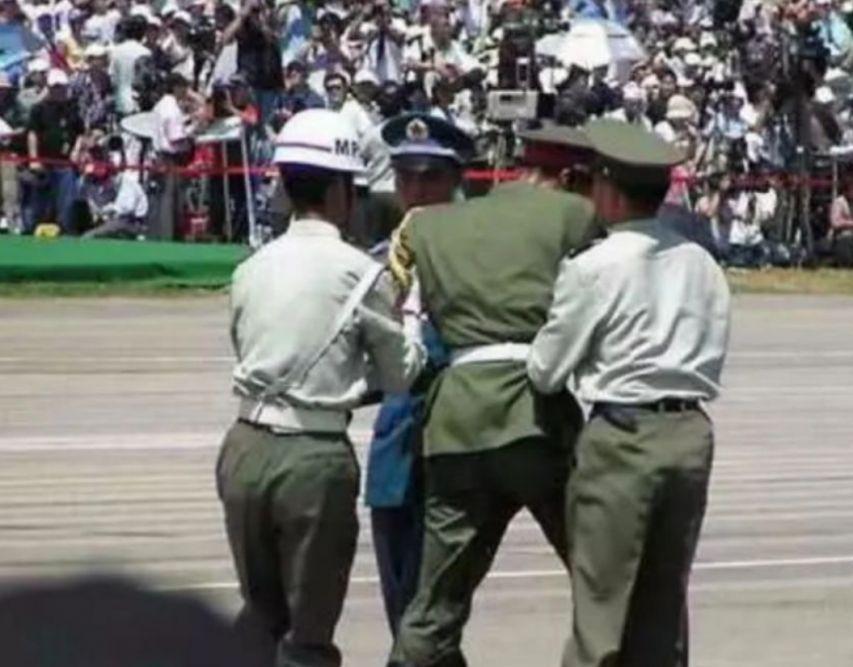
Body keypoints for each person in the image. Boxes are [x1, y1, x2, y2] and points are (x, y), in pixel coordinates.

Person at [218, 108, 426, 667]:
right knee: (308, 635)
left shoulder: (250, 268)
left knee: (260, 617)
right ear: (340, 191)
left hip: (244, 445)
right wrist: (412, 314)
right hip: (313, 457)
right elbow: (401, 374)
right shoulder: (360, 272)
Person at [387, 125, 598, 667]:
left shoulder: (431, 225)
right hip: (535, 416)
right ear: (572, 176)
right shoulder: (576, 214)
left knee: (435, 602)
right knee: (601, 576)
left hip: (456, 421)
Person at [527, 119, 731, 667]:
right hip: (689, 432)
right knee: (664, 604)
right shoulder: (701, 262)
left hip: (623, 434)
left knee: (601, 605)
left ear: (609, 192)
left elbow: (546, 371)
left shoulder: (593, 267)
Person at [366, 113, 474, 641]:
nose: (416, 189)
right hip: (395, 446)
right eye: (405, 176)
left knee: (437, 610)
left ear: (456, 180)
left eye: (430, 177)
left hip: (455, 439)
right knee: (400, 596)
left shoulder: (480, 259)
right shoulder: (377, 261)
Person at [26, 68, 85, 235]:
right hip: (44, 164)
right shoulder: (38, 109)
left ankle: (65, 232)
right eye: (55, 87)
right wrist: (33, 159)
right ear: (49, 88)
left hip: (65, 164)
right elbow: (32, 134)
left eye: (61, 87)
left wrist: (77, 150)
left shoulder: (72, 108)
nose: (59, 91)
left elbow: (80, 132)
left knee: (66, 204)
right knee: (40, 205)